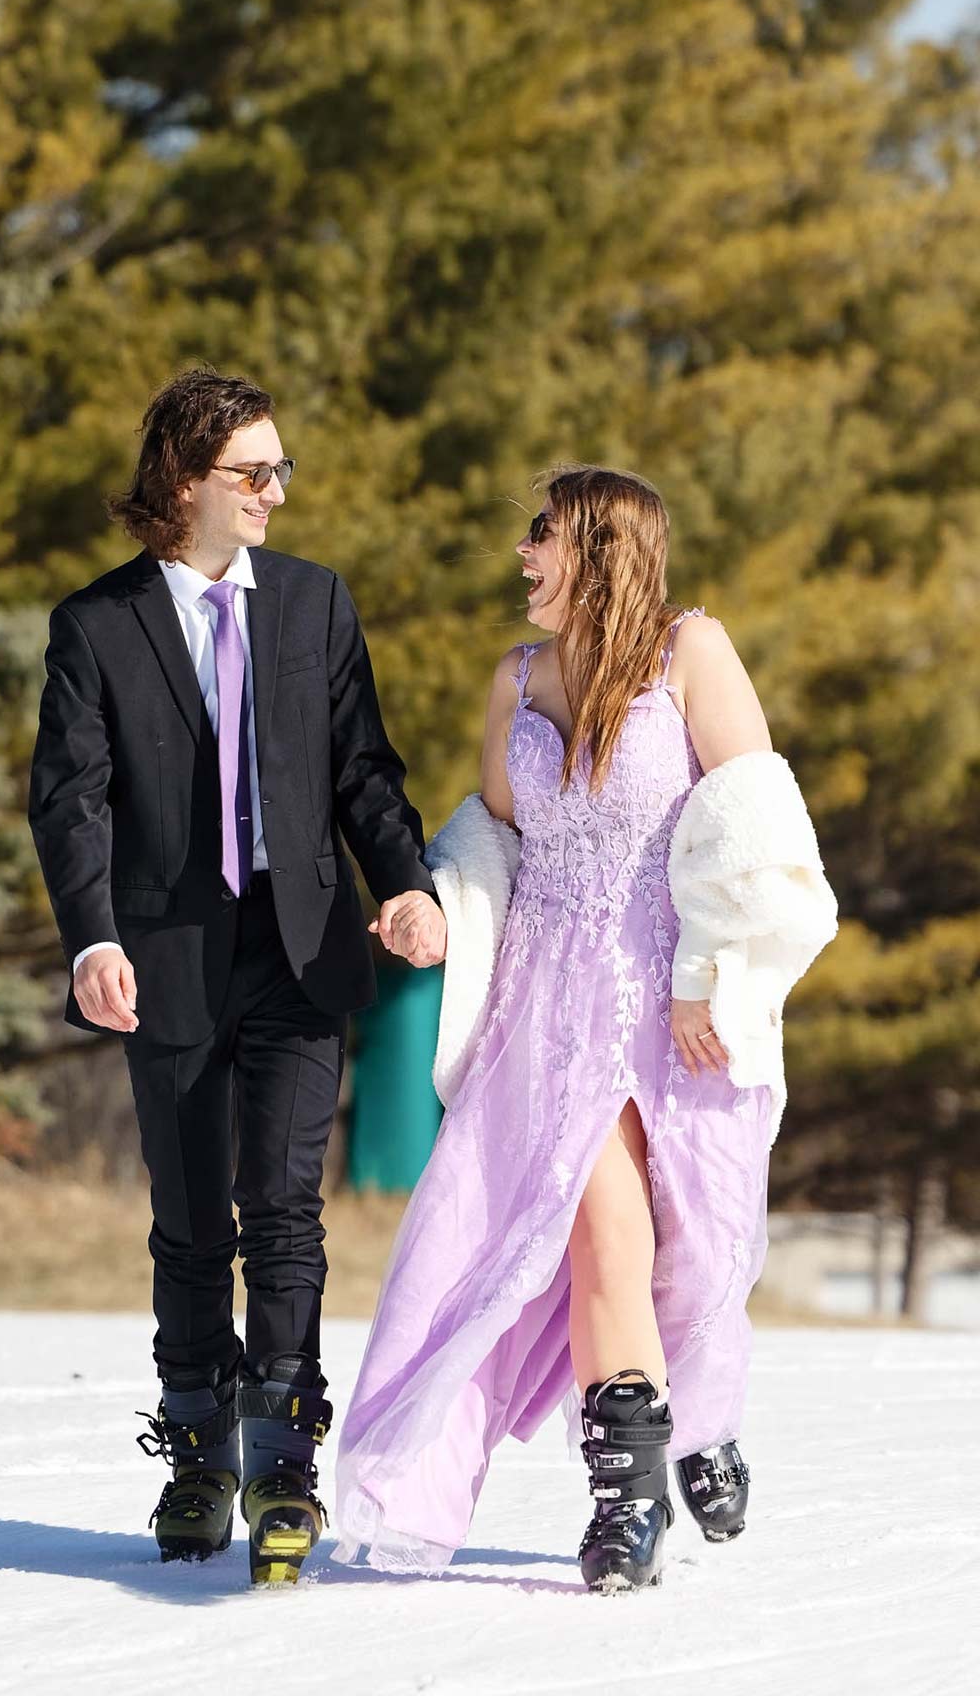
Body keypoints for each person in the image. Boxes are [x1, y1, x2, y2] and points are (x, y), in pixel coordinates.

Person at [334, 464, 835, 1592]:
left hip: (671, 997)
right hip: (546, 1010)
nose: (523, 553)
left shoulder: (690, 651)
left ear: (603, 547)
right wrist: (438, 904)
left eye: (543, 532)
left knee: (694, 1253)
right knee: (598, 1232)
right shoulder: (516, 679)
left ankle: (700, 1420)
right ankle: (628, 1498)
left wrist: (709, 975)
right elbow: (492, 837)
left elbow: (755, 823)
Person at [27, 367, 445, 1587]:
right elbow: (70, 801)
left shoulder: (315, 603)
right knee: (189, 1221)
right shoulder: (96, 625)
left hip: (299, 946)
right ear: (182, 483)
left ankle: (284, 1467)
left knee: (285, 1211)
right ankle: (199, 1456)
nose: (275, 491)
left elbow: (364, 770)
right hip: (162, 957)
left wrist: (405, 882)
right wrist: (93, 938)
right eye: (252, 472)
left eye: (279, 468)